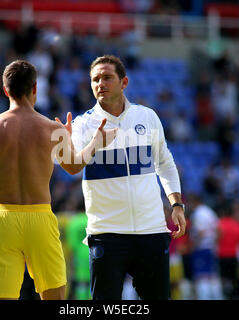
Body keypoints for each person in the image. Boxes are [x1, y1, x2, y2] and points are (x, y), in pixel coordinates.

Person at [0, 60, 117, 300]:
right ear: (35, 88)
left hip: (3, 219)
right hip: (40, 218)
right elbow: (74, 166)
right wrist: (95, 143)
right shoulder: (51, 129)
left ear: (5, 90)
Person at [56, 55, 186, 300]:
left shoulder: (147, 117)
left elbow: (165, 163)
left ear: (124, 82)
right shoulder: (83, 124)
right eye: (95, 79)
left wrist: (176, 204)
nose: (100, 84)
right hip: (107, 232)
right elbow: (72, 167)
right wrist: (86, 144)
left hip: (151, 231)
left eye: (107, 77)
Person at [188, 194, 221, 300]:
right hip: (211, 247)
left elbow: (201, 233)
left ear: (195, 201)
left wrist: (194, 244)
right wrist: (214, 242)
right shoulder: (210, 212)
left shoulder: (198, 214)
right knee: (212, 277)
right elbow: (220, 232)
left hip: (202, 248)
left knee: (202, 277)